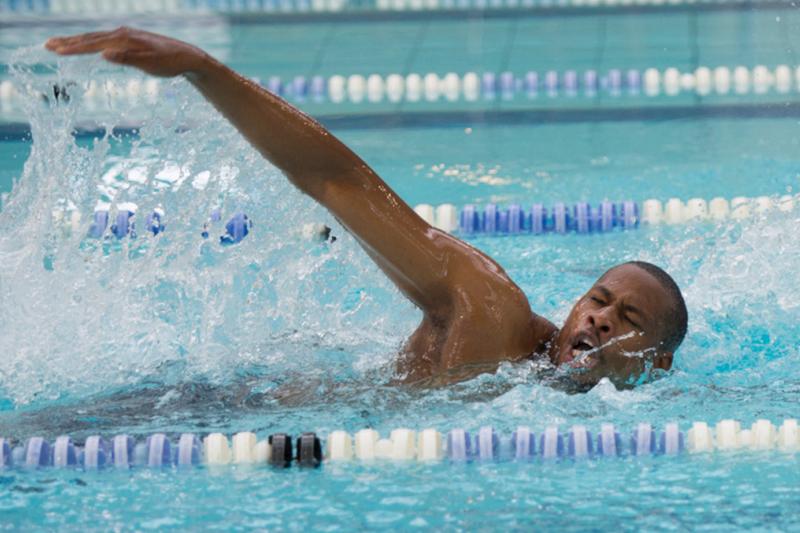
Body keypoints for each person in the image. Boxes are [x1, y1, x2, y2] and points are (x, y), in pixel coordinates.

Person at [45, 27, 688, 389]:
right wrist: (205, 70)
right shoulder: (489, 309)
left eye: (628, 318)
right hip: (222, 413)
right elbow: (336, 180)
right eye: (600, 300)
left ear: (655, 363)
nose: (601, 320)